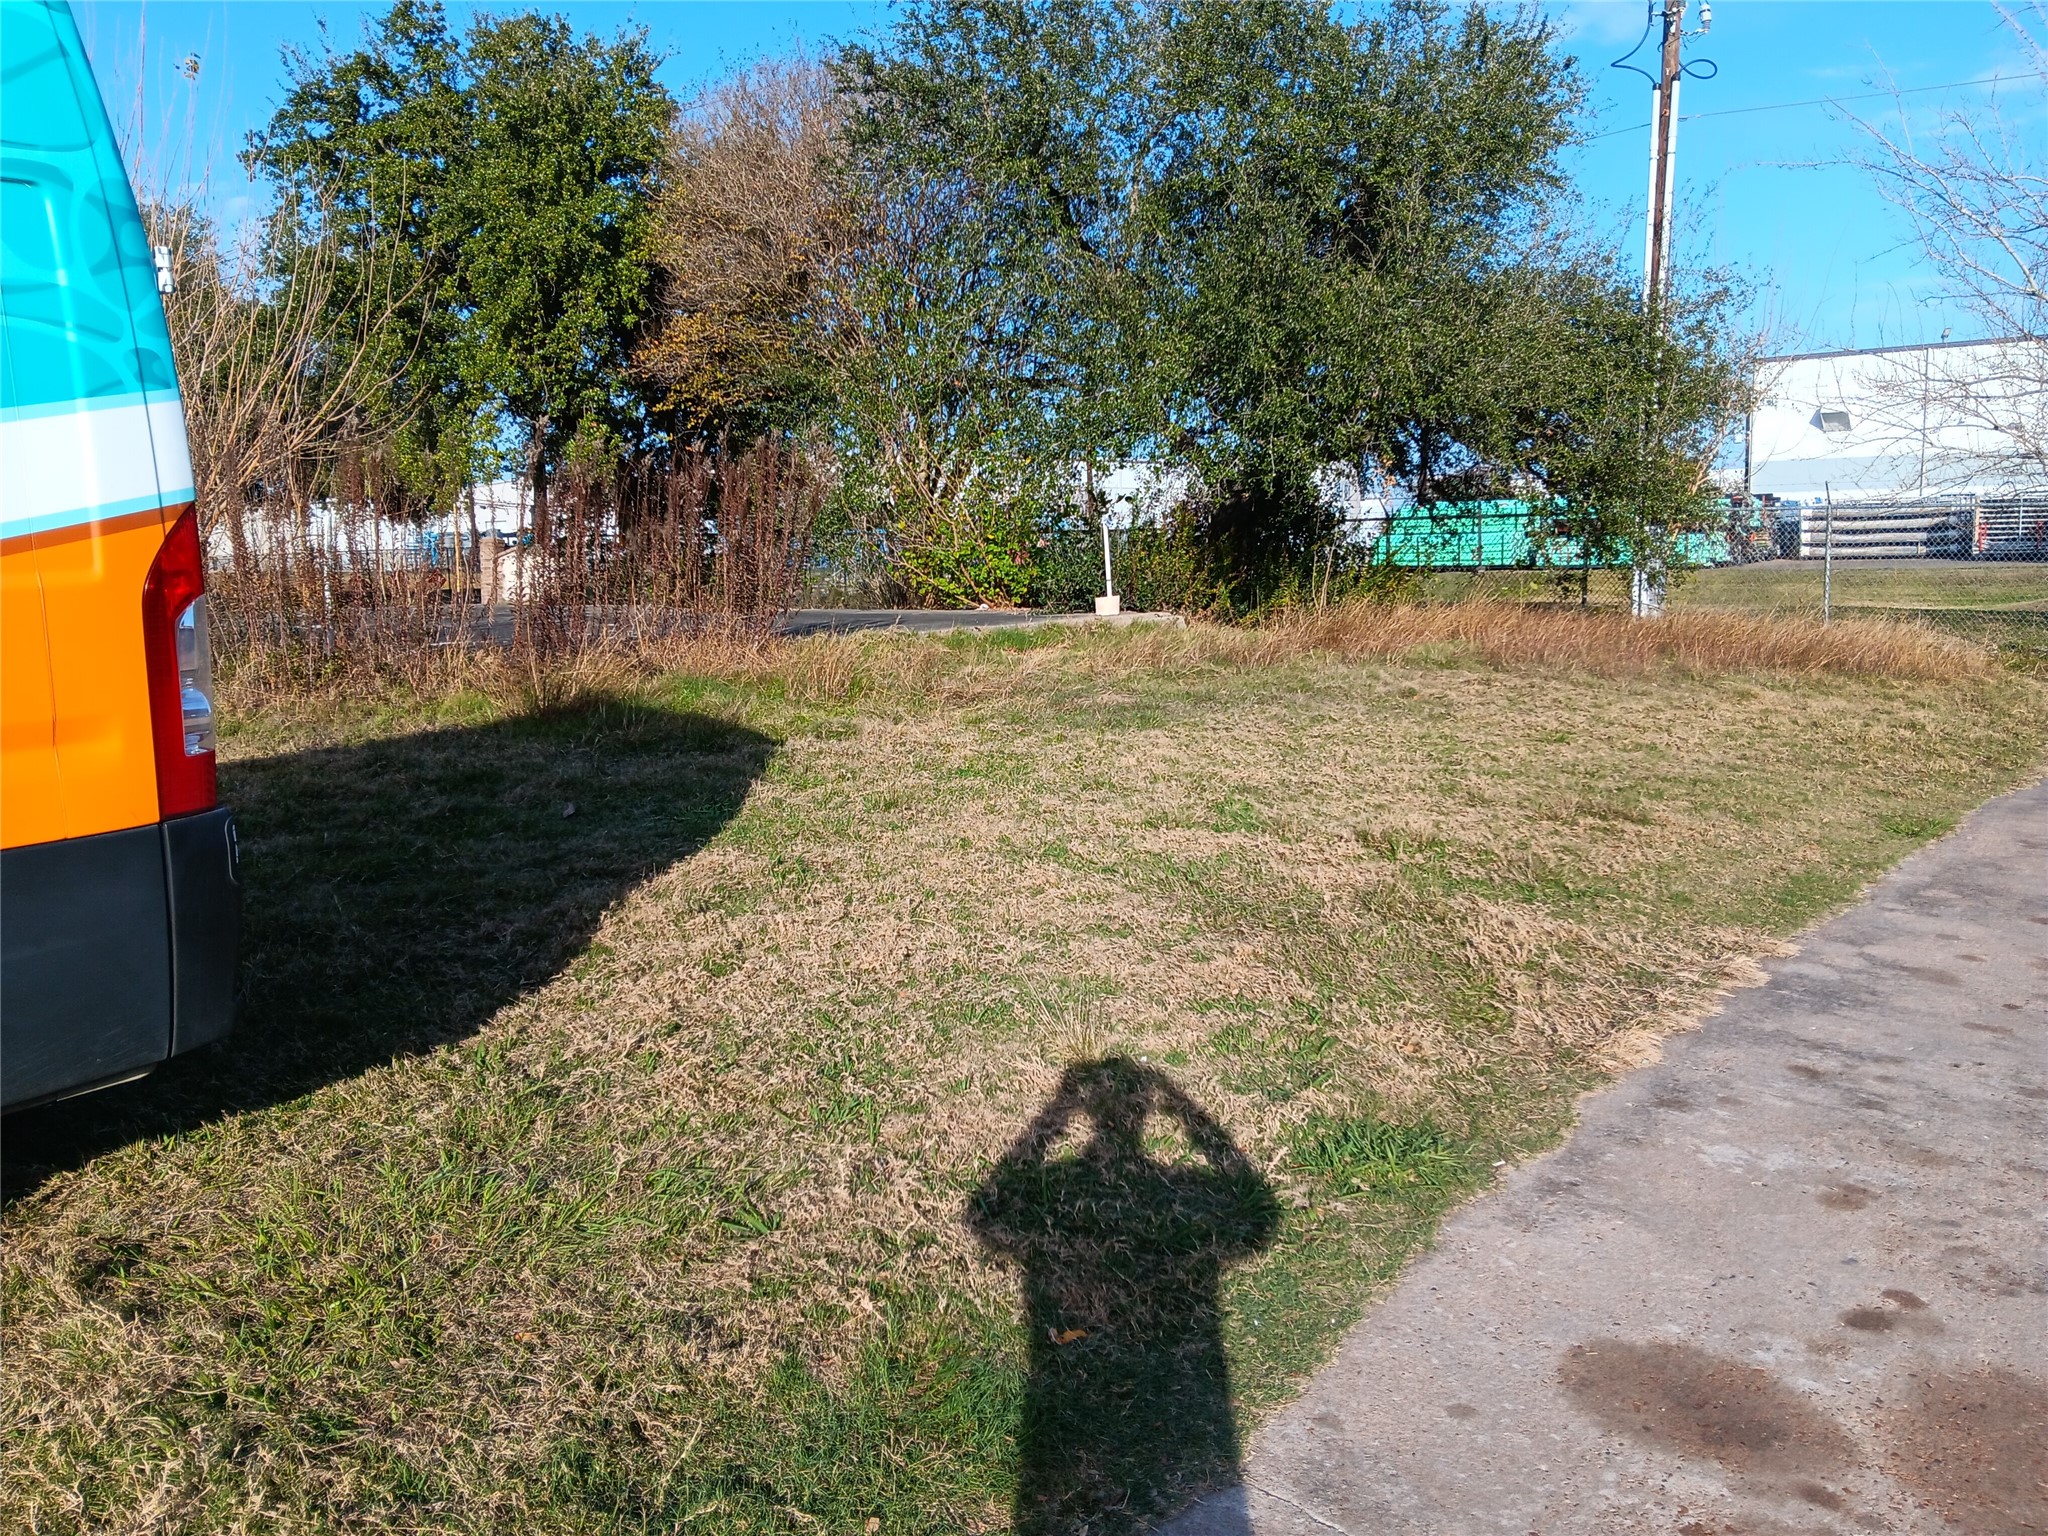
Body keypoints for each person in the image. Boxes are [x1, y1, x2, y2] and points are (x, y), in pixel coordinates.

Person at [969, 1057, 1279, 1534]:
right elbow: (1255, 1222)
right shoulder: (1181, 1190)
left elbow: (987, 1217)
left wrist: (1057, 1113)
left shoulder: (1062, 1182)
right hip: (1161, 1355)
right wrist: (1185, 1111)